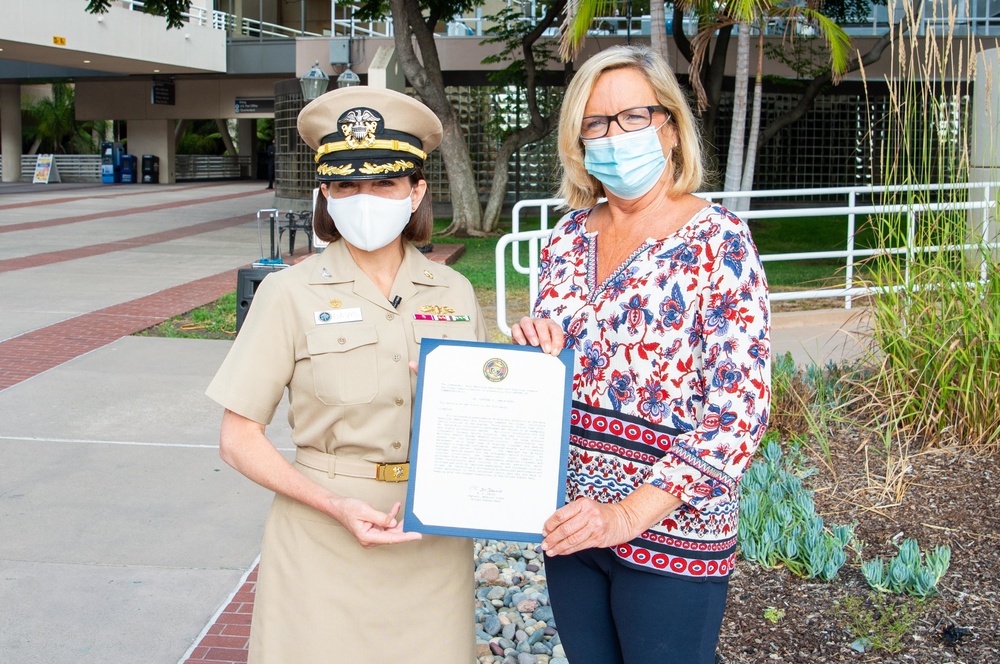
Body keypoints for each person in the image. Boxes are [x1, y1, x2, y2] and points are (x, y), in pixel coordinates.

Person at [206, 86, 486, 663]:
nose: (366, 198)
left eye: (385, 182)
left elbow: (485, 419)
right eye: (346, 185)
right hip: (320, 535)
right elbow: (238, 440)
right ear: (325, 195)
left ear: (416, 192)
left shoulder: (455, 292)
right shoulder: (288, 292)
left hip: (429, 534)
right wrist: (335, 506)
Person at [512, 45, 771, 664]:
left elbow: (741, 409)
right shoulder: (568, 239)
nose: (613, 135)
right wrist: (529, 350)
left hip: (670, 531)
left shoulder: (719, 240)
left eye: (632, 116)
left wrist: (628, 515)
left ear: (671, 129)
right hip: (573, 524)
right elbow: (566, 368)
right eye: (595, 123)